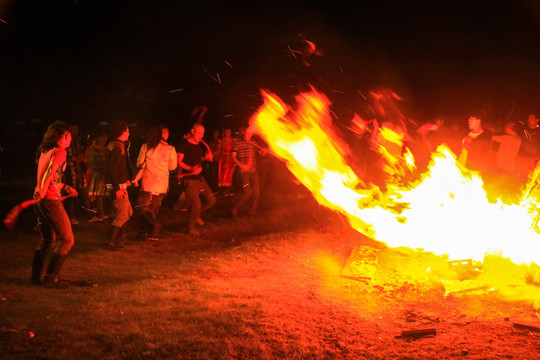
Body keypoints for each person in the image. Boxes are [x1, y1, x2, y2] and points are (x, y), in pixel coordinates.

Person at [31, 121, 78, 288]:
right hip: (50, 200)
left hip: (41, 200)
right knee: (66, 239)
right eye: (67, 135)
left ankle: (36, 278)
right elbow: (50, 172)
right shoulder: (60, 151)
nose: (69, 138)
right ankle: (51, 278)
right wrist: (44, 190)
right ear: (60, 137)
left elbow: (49, 174)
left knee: (48, 238)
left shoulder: (46, 150)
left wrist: (64, 186)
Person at [134, 125, 177, 240]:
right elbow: (173, 167)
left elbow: (139, 164)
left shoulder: (145, 147)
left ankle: (150, 229)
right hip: (162, 184)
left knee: (142, 208)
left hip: (148, 183)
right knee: (153, 209)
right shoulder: (170, 149)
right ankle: (150, 233)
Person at [176, 123, 216, 236]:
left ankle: (195, 214)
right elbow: (178, 161)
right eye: (199, 132)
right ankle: (190, 228)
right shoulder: (184, 145)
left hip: (199, 179)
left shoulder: (199, 145)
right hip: (189, 180)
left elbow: (197, 159)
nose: (201, 135)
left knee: (211, 200)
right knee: (197, 204)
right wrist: (190, 168)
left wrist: (205, 158)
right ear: (192, 131)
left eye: (203, 133)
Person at [105, 120, 133, 250]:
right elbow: (112, 170)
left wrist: (126, 179)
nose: (129, 133)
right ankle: (110, 241)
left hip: (120, 184)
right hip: (117, 187)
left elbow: (118, 168)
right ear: (122, 132)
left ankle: (121, 239)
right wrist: (116, 188)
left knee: (128, 212)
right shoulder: (117, 147)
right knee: (122, 214)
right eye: (127, 130)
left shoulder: (117, 145)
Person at [231, 127, 265, 217]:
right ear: (244, 133)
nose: (248, 136)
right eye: (246, 134)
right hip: (244, 172)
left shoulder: (253, 142)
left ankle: (252, 210)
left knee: (257, 193)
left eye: (250, 134)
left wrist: (263, 151)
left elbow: (260, 153)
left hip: (253, 171)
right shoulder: (238, 142)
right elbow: (233, 156)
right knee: (248, 193)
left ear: (251, 135)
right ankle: (235, 208)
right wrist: (240, 164)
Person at [87, 133, 108, 222]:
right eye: (102, 137)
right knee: (98, 195)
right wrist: (99, 168)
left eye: (105, 137)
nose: (104, 139)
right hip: (97, 175)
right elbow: (91, 163)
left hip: (105, 175)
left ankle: (104, 212)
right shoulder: (93, 150)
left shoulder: (107, 149)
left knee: (105, 194)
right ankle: (99, 213)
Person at [515, 114, 540, 183]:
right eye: (528, 118)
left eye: (531, 118)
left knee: (531, 179)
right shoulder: (522, 130)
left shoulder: (539, 132)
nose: (529, 120)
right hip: (522, 157)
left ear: (537, 120)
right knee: (519, 178)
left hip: (534, 159)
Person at [217, 128, 236, 196]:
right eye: (226, 131)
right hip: (224, 158)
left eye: (229, 131)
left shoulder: (233, 140)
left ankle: (228, 188)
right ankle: (223, 189)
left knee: (230, 173)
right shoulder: (222, 140)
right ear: (225, 132)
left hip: (230, 158)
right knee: (224, 173)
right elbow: (219, 149)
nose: (228, 132)